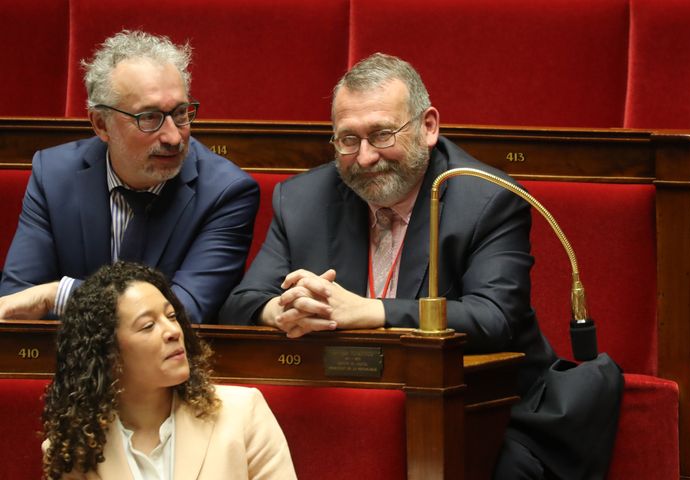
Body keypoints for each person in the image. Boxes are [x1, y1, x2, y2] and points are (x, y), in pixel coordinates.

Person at [219, 53, 621, 479]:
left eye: (382, 134)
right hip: (353, 404)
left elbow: (496, 317)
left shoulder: (485, 199)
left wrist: (370, 312)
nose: (366, 157)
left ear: (428, 127)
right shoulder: (302, 200)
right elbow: (241, 303)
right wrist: (284, 310)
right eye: (348, 140)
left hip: (483, 408)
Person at [0, 30, 259, 323]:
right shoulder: (54, 175)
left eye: (181, 113)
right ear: (101, 125)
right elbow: (17, 298)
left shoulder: (226, 192)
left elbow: (182, 312)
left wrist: (58, 294)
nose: (174, 137)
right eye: (149, 117)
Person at [42, 261, 296, 479]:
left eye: (172, 316)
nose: (174, 332)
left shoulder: (243, 412)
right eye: (148, 325)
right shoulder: (73, 446)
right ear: (107, 352)